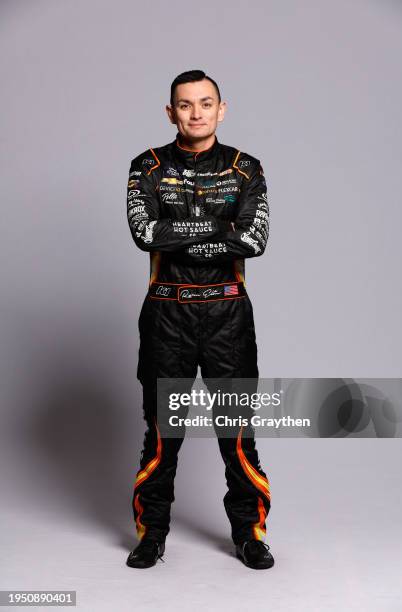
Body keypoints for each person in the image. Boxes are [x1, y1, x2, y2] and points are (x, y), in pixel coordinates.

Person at [125, 70, 274, 570]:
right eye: (185, 105)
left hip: (227, 314)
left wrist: (182, 232)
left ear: (221, 109)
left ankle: (250, 535)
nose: (195, 113)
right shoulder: (146, 166)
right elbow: (146, 233)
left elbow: (254, 240)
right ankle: (152, 535)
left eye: (205, 104)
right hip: (166, 312)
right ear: (171, 112)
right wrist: (219, 226)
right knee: (163, 432)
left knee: (237, 431)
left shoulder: (245, 168)